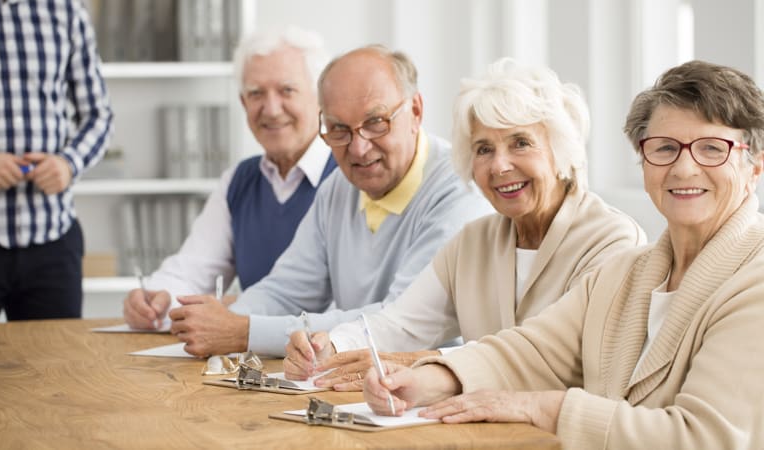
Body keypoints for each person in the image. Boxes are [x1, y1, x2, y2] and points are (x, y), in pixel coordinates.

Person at [363, 60, 764, 450]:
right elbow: (530, 352)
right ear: (644, 161)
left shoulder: (755, 280)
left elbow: (703, 438)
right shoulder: (624, 274)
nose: (684, 168)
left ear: (755, 164)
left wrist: (543, 407)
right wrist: (426, 380)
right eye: (665, 148)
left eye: (713, 148)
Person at [284, 58, 646, 388]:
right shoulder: (473, 242)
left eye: (520, 143)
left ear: (561, 149)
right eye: (484, 148)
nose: (499, 165)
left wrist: (429, 363)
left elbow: (554, 356)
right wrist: (330, 346)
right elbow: (400, 324)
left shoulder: (613, 241)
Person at [167, 45, 492, 357]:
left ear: (416, 111)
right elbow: (287, 290)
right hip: (353, 385)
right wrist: (224, 322)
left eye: (376, 122)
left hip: (430, 398)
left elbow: (398, 323)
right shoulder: (338, 187)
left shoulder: (461, 191)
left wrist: (242, 332)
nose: (359, 149)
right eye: (338, 129)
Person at [122, 26, 336, 330]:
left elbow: (350, 304)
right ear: (242, 102)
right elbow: (192, 269)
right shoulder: (239, 181)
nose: (272, 110)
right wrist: (155, 299)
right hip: (249, 359)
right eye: (256, 94)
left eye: (287, 90)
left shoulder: (350, 177)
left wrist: (232, 311)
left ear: (320, 99)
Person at [0, 0, 113, 322]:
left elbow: (98, 115)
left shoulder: (67, 10)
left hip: (53, 241)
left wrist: (68, 164)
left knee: (56, 368)